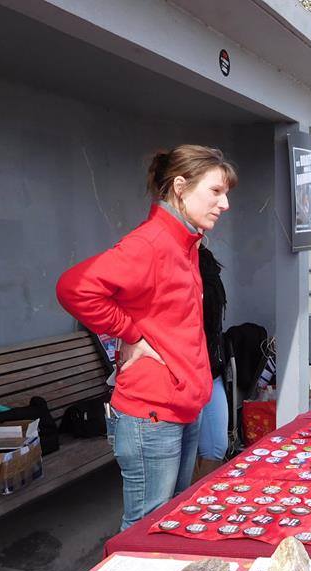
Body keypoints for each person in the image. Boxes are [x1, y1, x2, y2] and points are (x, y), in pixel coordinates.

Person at [56, 144, 237, 530]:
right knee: (144, 530)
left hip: (183, 407)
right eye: (216, 192)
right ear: (180, 187)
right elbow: (74, 288)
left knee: (172, 522)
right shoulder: (151, 243)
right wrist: (131, 333)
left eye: (226, 194)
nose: (224, 204)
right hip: (150, 414)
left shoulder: (185, 244)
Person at [195, 243, 229, 478]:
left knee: (216, 448)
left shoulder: (204, 262)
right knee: (206, 450)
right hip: (189, 374)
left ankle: (196, 503)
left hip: (210, 370)